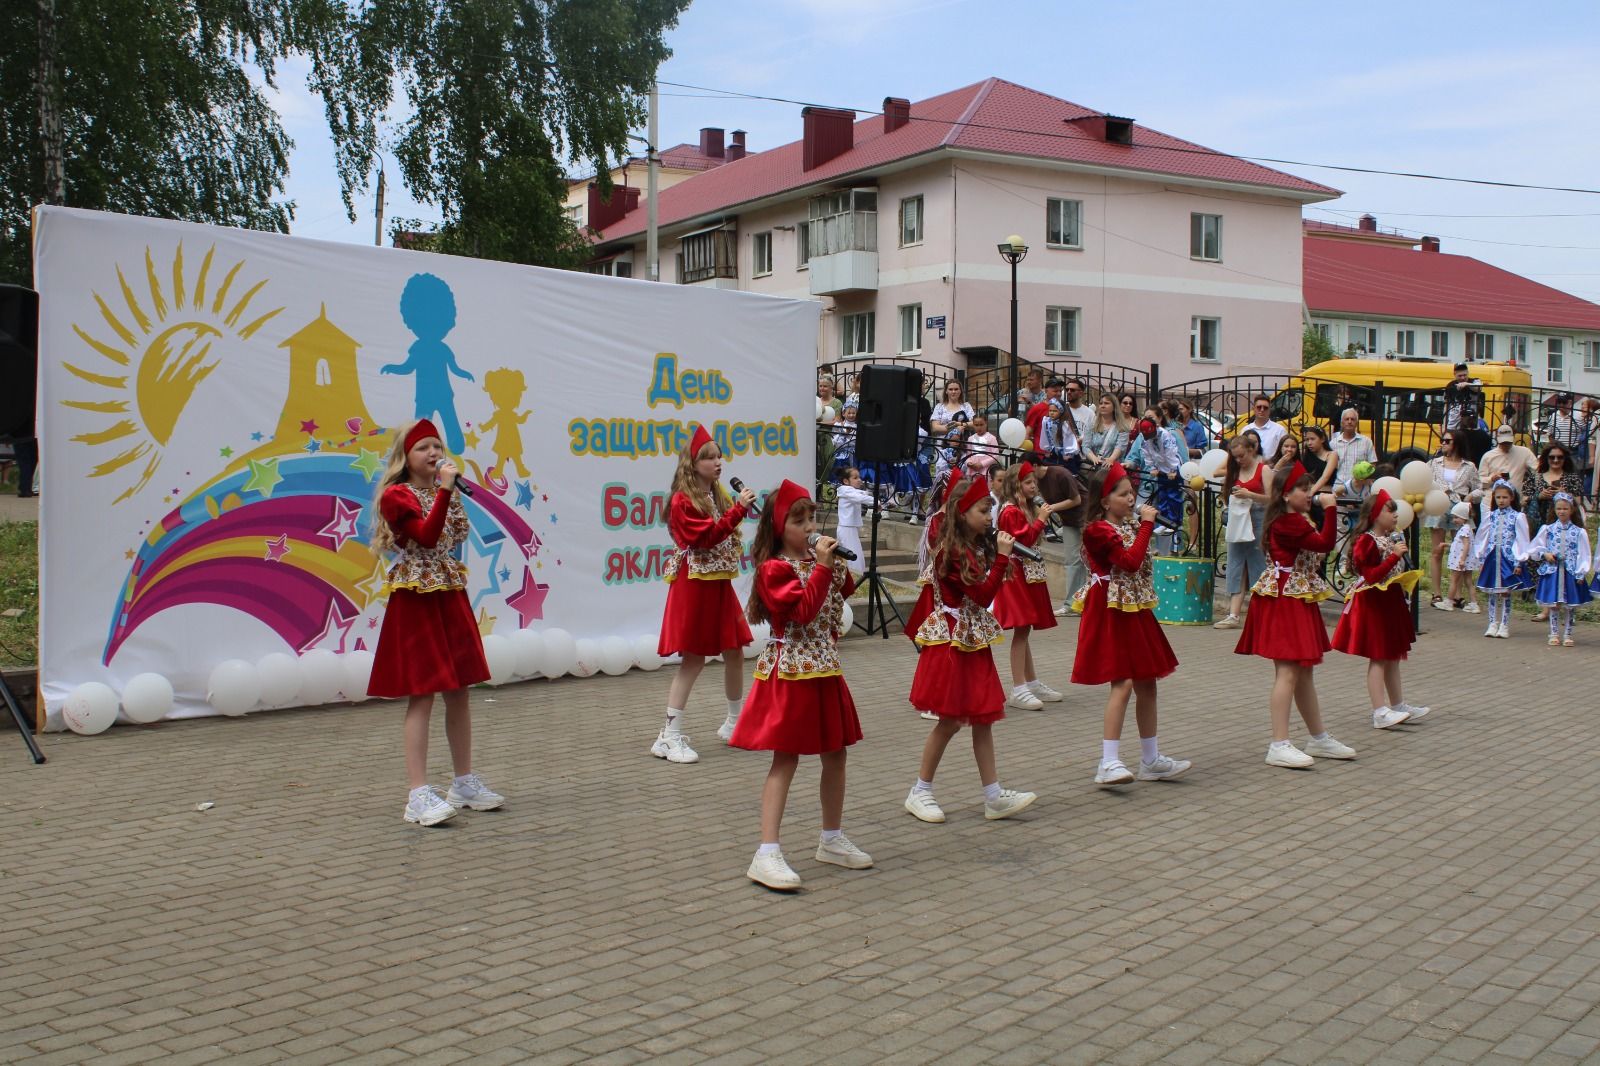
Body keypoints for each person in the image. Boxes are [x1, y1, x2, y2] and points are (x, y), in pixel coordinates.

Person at [733, 480, 867, 891]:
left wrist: (836, 559)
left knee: (836, 752)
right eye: (799, 520)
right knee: (786, 757)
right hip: (791, 667)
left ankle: (831, 838)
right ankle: (767, 852)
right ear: (778, 528)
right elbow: (805, 614)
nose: (810, 526)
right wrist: (824, 567)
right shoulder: (774, 569)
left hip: (824, 667)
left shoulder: (816, 560)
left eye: (812, 518)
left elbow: (848, 586)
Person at [368, 418, 500, 827]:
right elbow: (424, 538)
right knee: (422, 693)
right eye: (424, 448)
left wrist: (444, 492)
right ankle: (417, 794)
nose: (434, 454)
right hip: (417, 597)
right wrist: (444, 490)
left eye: (437, 447)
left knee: (459, 689)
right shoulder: (396, 496)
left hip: (448, 590)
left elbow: (451, 535)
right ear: (405, 457)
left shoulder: (443, 493)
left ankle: (462, 782)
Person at [904, 476, 1038, 824]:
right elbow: (982, 595)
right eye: (982, 511)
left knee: (984, 717)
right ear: (962, 513)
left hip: (971, 640)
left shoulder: (977, 546)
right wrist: (1003, 558)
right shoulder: (950, 551)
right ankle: (920, 791)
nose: (989, 518)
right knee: (949, 721)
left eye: (989, 510)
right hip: (951, 642)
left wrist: (1000, 553)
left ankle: (993, 796)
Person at [1070, 462, 1188, 786]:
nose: (1132, 499)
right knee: (1121, 682)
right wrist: (1147, 526)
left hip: (1133, 607)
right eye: (1123, 494)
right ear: (1105, 500)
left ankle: (1151, 759)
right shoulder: (1097, 530)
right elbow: (1130, 562)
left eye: (1132, 492)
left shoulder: (1127, 524)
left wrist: (1141, 526)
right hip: (1110, 608)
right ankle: (1107, 762)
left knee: (1147, 681)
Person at [1234, 465, 1356, 769]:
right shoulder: (1288, 522)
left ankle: (1318, 737)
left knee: (1303, 672)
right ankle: (1278, 743)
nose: (1310, 493)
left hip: (1295, 596)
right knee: (1287, 671)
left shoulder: (1295, 519)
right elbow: (1326, 544)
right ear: (1287, 494)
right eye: (1304, 489)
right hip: (1285, 599)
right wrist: (1331, 510)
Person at [654, 423, 759, 762]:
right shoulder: (683, 501)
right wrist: (738, 510)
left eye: (719, 456)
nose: (718, 463)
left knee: (733, 650)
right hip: (695, 585)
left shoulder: (716, 495)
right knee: (695, 658)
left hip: (718, 582)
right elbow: (706, 537)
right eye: (710, 458)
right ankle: (668, 735)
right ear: (693, 463)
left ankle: (734, 721)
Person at [1331, 490, 1427, 730]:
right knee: (1379, 656)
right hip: (1374, 601)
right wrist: (1394, 557)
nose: (1396, 515)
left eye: (1396, 510)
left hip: (1391, 599)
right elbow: (1371, 575)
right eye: (1390, 510)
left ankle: (1398, 705)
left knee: (1393, 655)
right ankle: (1379, 711)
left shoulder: (1393, 537)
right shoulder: (1367, 540)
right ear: (1375, 514)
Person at [992, 462, 1075, 710]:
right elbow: (1024, 542)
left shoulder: (1023, 508)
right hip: (1017, 575)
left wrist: (1037, 517)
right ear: (1016, 485)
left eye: (1034, 482)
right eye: (1028, 483)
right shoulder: (1010, 511)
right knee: (1020, 630)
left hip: (1028, 574)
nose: (1033, 486)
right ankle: (1018, 688)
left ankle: (1031, 682)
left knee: (1024, 630)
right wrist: (1040, 520)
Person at [1214, 434, 1269, 630]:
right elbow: (1225, 491)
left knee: (1258, 565)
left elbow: (1272, 498)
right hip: (1238, 520)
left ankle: (1261, 614)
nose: (1239, 460)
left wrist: (1250, 495)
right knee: (1235, 565)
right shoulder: (1234, 471)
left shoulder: (1264, 469)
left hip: (1258, 520)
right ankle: (1233, 614)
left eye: (1242, 456)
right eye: (1235, 457)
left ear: (1251, 450)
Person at [1527, 493, 1591, 648]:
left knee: (1569, 605)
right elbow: (1535, 548)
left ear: (1572, 510)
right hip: (1553, 571)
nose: (1562, 511)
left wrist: (1581, 571)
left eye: (1565, 508)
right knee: (1554, 604)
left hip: (1570, 572)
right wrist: (1545, 554)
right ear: (1554, 509)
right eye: (1559, 508)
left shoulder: (1578, 532)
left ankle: (1568, 634)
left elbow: (1584, 553)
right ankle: (1554, 633)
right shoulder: (1548, 529)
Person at [1426, 431, 1480, 611]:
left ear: (1456, 443)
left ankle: (1456, 594)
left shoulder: (1469, 466)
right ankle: (1437, 592)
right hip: (1439, 507)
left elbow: (1479, 489)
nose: (1443, 443)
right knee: (1437, 551)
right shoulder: (1434, 463)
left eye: (1447, 441)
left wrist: (1470, 497)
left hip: (1460, 509)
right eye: (1442, 440)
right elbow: (1424, 482)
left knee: (1460, 551)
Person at [1473, 479, 1532, 640]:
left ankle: (1504, 624)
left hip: (1508, 559)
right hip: (1492, 558)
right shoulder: (1491, 516)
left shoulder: (1518, 517)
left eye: (1505, 497)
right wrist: (1481, 557)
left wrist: (1519, 561)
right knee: (1492, 592)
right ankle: (1492, 622)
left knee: (1506, 592)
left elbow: (1522, 539)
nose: (1501, 500)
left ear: (1512, 497)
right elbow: (1482, 537)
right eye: (1498, 497)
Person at [1125, 414, 1183, 553]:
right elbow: (1147, 454)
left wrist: (1172, 470)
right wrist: (1153, 468)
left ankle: (1173, 521)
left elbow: (1172, 453)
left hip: (1172, 469)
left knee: (1173, 498)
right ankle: (1164, 522)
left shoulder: (1166, 436)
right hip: (1161, 470)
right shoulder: (1145, 440)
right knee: (1162, 496)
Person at [833, 467, 872, 576]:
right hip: (847, 529)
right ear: (846, 481)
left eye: (859, 477)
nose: (859, 480)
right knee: (853, 556)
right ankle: (855, 576)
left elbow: (860, 495)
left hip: (849, 528)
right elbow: (860, 498)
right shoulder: (846, 491)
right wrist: (877, 502)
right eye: (855, 478)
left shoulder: (849, 491)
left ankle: (855, 576)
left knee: (855, 555)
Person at [1478, 425, 1536, 495]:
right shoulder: (1488, 456)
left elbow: (1538, 469)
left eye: (1508, 442)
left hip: (1514, 499)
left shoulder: (1525, 452)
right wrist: (1491, 479)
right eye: (1503, 442)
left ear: (1513, 438)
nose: (1506, 445)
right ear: (1497, 439)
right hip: (1491, 499)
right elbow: (1479, 483)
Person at [1330, 408, 1376, 494]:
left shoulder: (1366, 442)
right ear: (1342, 423)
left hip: (1360, 489)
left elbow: (1372, 465)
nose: (1349, 421)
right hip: (1339, 488)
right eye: (1347, 419)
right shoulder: (1333, 444)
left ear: (1357, 423)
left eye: (1353, 419)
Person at [1445, 501, 1480, 614]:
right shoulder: (1467, 528)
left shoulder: (1464, 529)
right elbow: (1461, 544)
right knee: (1468, 581)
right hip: (1466, 560)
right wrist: (1449, 545)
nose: (1454, 520)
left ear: (1464, 517)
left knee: (1454, 580)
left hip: (1460, 560)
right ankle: (1474, 604)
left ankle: (1449, 602)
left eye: (1456, 517)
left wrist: (1462, 559)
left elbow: (1466, 545)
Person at [1083, 393, 1129, 470]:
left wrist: (1111, 459)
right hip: (1094, 467)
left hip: (1113, 468)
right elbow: (1085, 446)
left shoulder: (1122, 427)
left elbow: (1120, 446)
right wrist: (1094, 458)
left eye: (1106, 403)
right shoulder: (1091, 425)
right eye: (1101, 403)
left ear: (1114, 407)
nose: (1103, 406)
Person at [1244, 393, 1285, 460]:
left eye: (1265, 408)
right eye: (1259, 407)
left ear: (1269, 410)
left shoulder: (1279, 430)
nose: (1262, 410)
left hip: (1272, 468)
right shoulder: (1245, 430)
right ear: (1253, 409)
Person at [962, 413, 1000, 479]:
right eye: (976, 425)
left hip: (986, 470)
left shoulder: (991, 438)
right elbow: (968, 454)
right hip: (973, 470)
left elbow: (995, 455)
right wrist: (968, 463)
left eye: (981, 425)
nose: (979, 427)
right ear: (973, 425)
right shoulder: (971, 438)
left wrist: (982, 464)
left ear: (986, 424)